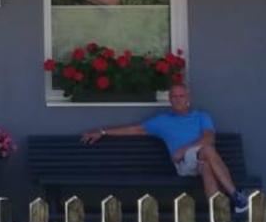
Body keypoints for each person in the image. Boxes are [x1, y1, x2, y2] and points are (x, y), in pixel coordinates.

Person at [81, 82, 242, 200]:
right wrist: (102, 132)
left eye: (181, 96)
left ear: (188, 98)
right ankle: (235, 195)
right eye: (174, 96)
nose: (178, 99)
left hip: (198, 158)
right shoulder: (162, 121)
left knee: (207, 162)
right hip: (184, 164)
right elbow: (135, 129)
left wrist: (183, 149)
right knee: (207, 150)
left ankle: (219, 213)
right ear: (170, 100)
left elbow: (209, 137)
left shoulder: (202, 116)